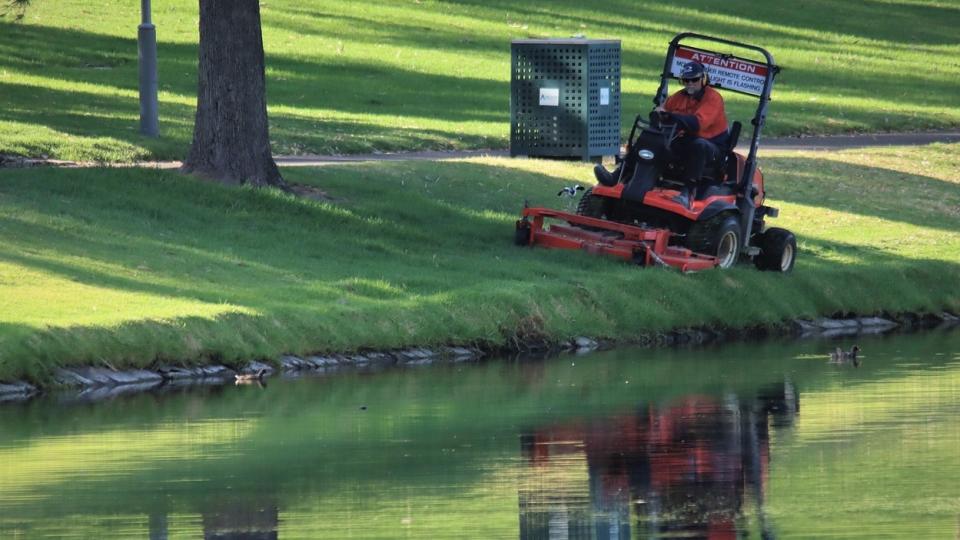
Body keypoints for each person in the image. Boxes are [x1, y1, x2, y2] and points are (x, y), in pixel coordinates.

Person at [655, 61, 729, 207]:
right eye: (686, 80)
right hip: (686, 139)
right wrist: (660, 116)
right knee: (652, 137)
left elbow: (698, 124)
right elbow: (661, 110)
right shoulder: (679, 96)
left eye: (694, 80)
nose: (690, 83)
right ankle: (624, 175)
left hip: (712, 147)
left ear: (703, 79)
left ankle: (688, 193)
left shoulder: (713, 98)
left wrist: (674, 117)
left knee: (699, 145)